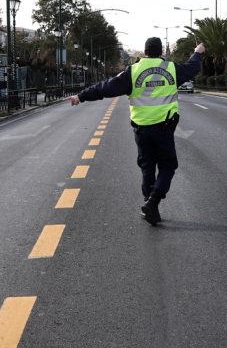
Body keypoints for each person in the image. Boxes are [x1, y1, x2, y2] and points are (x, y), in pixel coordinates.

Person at [66, 37, 205, 225]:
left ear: (145, 52)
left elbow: (105, 88)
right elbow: (192, 68)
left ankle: (150, 206)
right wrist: (197, 52)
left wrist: (80, 96)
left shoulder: (133, 71)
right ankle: (153, 202)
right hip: (164, 128)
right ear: (161, 51)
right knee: (167, 166)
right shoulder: (170, 68)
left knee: (147, 167)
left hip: (142, 130)